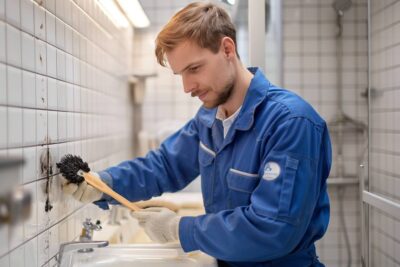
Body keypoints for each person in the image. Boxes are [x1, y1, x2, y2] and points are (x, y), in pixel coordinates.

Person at [61, 2, 332, 266]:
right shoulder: (209, 119)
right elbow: (164, 166)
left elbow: (273, 229)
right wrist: (103, 184)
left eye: (194, 69)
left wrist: (181, 229)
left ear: (227, 49)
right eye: (181, 74)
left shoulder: (291, 122)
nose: (187, 87)